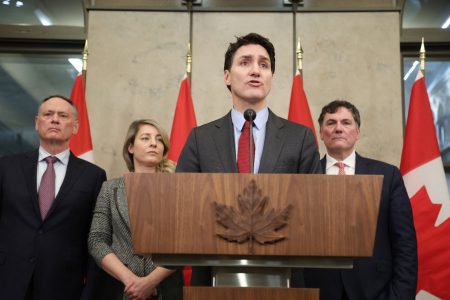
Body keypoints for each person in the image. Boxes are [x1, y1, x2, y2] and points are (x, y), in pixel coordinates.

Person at [176, 33, 321, 285]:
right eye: (245, 62)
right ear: (227, 76)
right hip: (212, 276)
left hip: (285, 277)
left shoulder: (300, 137)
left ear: (271, 78)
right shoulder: (201, 138)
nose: (256, 70)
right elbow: (181, 202)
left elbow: (315, 207)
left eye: (264, 65)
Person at [302, 100, 417, 299]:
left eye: (346, 123)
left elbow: (405, 244)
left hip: (375, 290)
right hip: (318, 289)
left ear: (357, 132)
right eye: (331, 123)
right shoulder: (304, 177)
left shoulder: (387, 176)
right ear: (321, 133)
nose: (338, 128)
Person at [0, 95, 107, 300]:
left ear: (75, 126)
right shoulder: (6, 167)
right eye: (48, 114)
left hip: (65, 286)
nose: (55, 119)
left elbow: (97, 238)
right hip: (8, 282)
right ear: (36, 123)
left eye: (63, 115)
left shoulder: (94, 176)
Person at [88, 119, 183, 300]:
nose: (154, 143)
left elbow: (186, 241)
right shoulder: (110, 189)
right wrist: (131, 280)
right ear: (130, 147)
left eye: (159, 139)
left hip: (167, 288)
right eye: (145, 138)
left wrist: (150, 282)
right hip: (120, 287)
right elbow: (97, 240)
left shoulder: (178, 187)